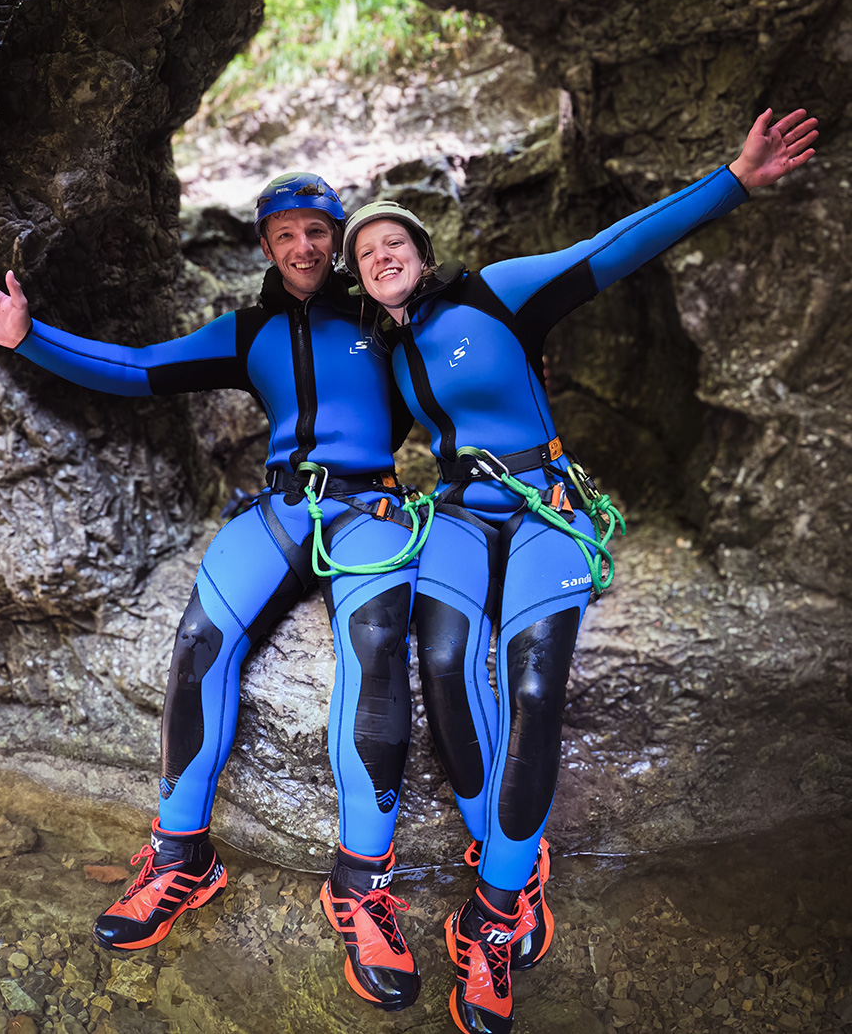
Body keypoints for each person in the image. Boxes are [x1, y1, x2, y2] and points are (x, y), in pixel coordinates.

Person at [340, 108, 818, 1034]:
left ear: (424, 255)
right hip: (458, 513)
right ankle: (504, 847)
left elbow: (613, 248)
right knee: (439, 664)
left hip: (545, 504)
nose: (382, 254)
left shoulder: (496, 293)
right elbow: (356, 435)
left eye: (397, 240)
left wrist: (733, 179)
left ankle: (496, 907)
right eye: (368, 252)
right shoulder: (389, 355)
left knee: (531, 682)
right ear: (362, 278)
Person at [0, 173, 426, 1012]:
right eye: (287, 234)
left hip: (374, 507)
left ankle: (362, 888)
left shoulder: (382, 311)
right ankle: (181, 862)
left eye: (320, 231)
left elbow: (459, 364)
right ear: (266, 246)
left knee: (379, 649)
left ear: (340, 239)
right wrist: (27, 338)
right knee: (202, 638)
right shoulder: (249, 332)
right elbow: (137, 369)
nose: (305, 247)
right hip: (280, 507)